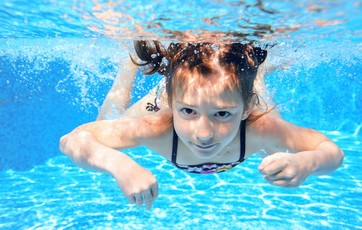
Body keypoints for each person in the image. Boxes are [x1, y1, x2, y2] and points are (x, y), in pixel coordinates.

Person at [60, 40, 344, 211]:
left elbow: (332, 153)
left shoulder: (258, 126)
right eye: (188, 113)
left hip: (226, 103)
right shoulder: (157, 127)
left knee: (275, 148)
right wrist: (120, 165)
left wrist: (308, 163)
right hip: (169, 97)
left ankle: (255, 78)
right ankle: (128, 64)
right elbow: (73, 139)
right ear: (174, 105)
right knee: (105, 126)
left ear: (245, 110)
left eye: (222, 115)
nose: (204, 134)